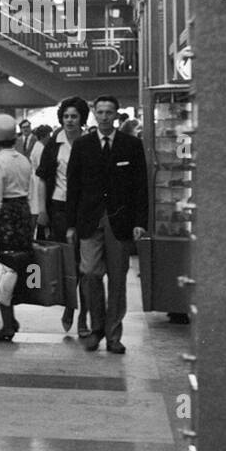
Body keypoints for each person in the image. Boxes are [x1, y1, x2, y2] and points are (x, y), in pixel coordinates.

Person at [65, 95, 148, 354]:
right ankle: (97, 326)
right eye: (99, 112)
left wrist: (140, 222)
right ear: (94, 114)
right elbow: (73, 187)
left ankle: (113, 336)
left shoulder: (131, 145)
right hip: (89, 220)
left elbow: (140, 187)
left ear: (116, 115)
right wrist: (70, 224)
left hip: (120, 222)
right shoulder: (82, 145)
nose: (103, 117)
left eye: (108, 112)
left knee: (117, 280)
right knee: (89, 273)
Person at [36, 96, 91, 335]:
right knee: (68, 262)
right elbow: (41, 178)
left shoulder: (90, 142)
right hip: (58, 208)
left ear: (82, 118)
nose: (69, 120)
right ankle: (70, 307)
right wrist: (42, 210)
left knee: (87, 266)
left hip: (86, 209)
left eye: (74, 116)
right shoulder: (54, 144)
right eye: (66, 116)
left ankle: (84, 316)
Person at [0, 114, 35, 342]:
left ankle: (7, 323)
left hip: (5, 217)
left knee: (4, 270)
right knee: (20, 265)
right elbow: (31, 193)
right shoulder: (24, 160)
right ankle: (10, 318)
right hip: (23, 213)